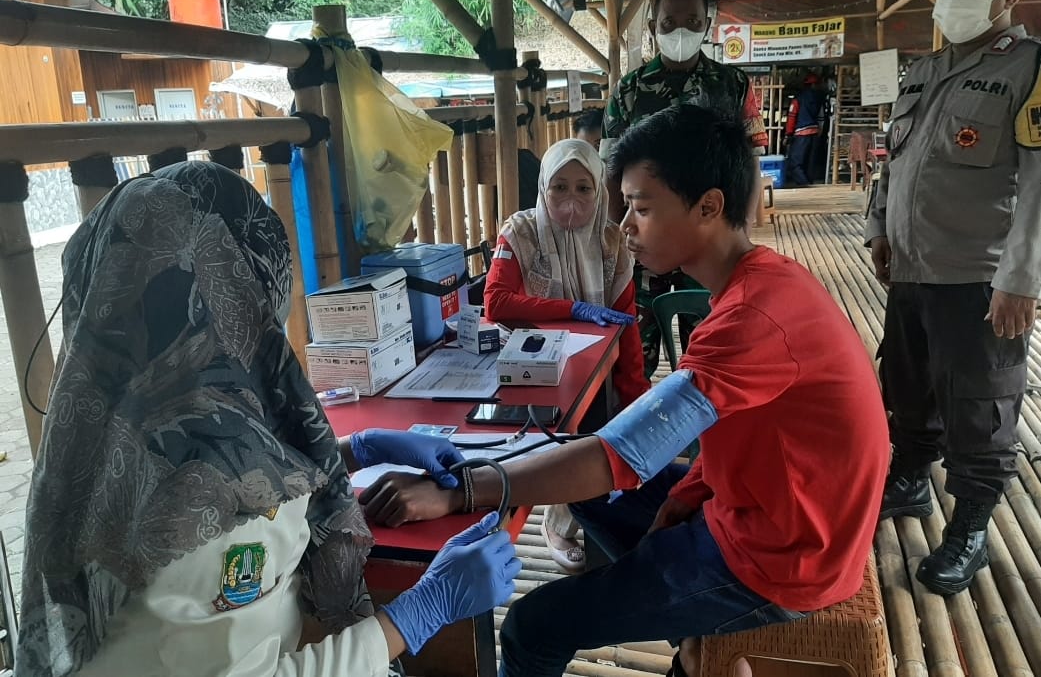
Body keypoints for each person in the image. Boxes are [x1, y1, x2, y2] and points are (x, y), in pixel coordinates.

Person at [361, 105, 889, 677]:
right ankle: (669, 613)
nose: (625, 225)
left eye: (640, 207)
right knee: (578, 474)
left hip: (782, 557)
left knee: (530, 627)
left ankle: (678, 614)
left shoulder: (753, 318)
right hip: (758, 508)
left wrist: (464, 491)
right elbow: (724, 437)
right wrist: (685, 494)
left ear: (709, 206)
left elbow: (620, 456)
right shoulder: (762, 283)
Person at [16, 161, 519, 677]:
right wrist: (416, 615)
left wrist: (353, 452)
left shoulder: (105, 416)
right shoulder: (200, 515)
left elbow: (243, 488)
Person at [866, 0, 1041, 596]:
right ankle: (908, 482)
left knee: (978, 408)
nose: (953, 2)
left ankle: (968, 527)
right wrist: (878, 227)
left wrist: (1020, 279)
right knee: (906, 390)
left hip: (980, 278)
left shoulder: (1027, 71)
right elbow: (894, 162)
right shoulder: (923, 71)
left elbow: (1037, 185)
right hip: (910, 270)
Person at [484, 138, 648, 572]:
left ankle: (565, 521)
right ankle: (550, 523)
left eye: (583, 188)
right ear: (543, 187)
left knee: (593, 440)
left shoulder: (612, 241)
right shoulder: (519, 232)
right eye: (559, 187)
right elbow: (496, 302)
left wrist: (637, 397)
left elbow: (626, 326)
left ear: (600, 191)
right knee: (542, 445)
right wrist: (570, 309)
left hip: (594, 372)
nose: (571, 200)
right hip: (533, 369)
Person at [601, 0, 770, 379]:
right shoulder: (629, 90)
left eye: (692, 21)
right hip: (645, 239)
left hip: (710, 241)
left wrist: (742, 232)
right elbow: (610, 169)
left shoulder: (732, 85)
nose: (680, 30)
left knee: (711, 345)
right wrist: (614, 234)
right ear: (653, 27)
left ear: (707, 24)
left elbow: (750, 163)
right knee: (637, 352)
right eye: (669, 21)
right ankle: (641, 434)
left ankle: (705, 438)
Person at [782, 73, 823, 187]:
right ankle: (809, 182)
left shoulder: (798, 99)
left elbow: (792, 117)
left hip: (801, 134)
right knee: (810, 161)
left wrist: (788, 135)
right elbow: (821, 117)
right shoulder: (820, 98)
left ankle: (804, 183)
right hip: (814, 133)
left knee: (794, 162)